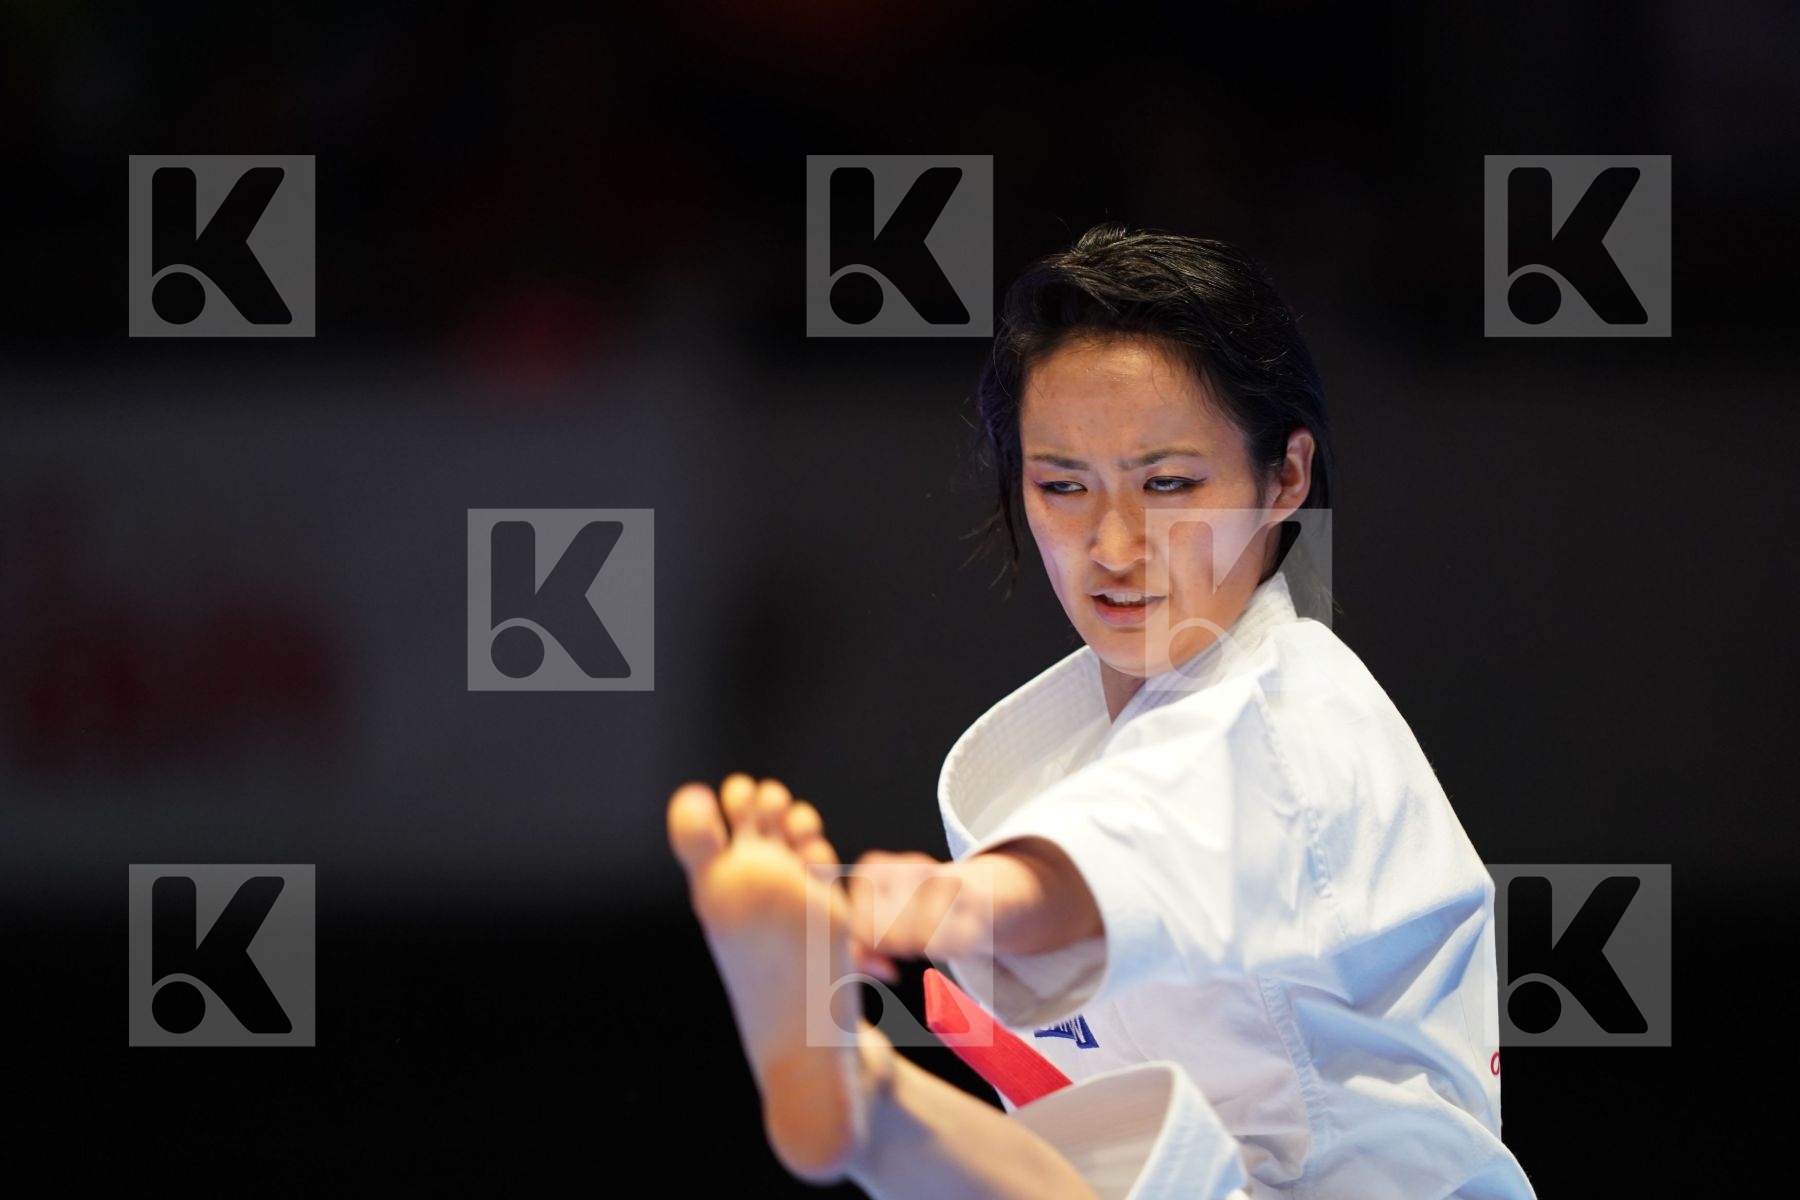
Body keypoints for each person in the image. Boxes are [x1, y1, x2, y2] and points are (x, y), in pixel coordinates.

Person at [667, 226, 1538, 1197]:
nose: (1113, 545)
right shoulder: (1078, 755)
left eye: (1168, 483)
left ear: (1285, 477)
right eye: (1063, 486)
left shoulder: (1290, 719)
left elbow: (1119, 853)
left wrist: (937, 901)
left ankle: (876, 1113)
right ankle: (868, 1105)